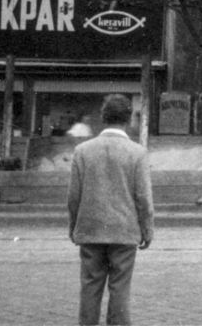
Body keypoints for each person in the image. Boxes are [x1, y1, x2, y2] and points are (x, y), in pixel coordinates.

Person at [68, 93, 154, 326]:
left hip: (91, 229)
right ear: (127, 119)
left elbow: (74, 197)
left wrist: (74, 227)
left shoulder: (83, 151)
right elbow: (143, 198)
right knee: (120, 289)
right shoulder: (137, 153)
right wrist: (147, 230)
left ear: (103, 117)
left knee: (90, 287)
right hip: (124, 232)